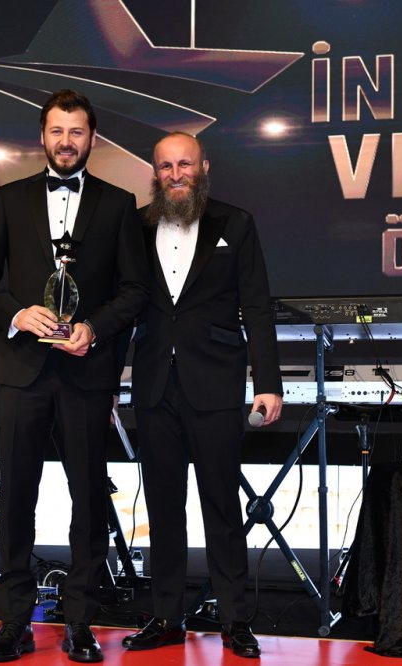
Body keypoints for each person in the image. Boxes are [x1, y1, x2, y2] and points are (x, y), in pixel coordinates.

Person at [0, 89, 148, 663]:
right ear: (42, 136)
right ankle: (14, 623)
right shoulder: (9, 197)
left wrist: (94, 327)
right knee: (16, 498)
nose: (66, 142)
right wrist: (17, 314)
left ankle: (81, 623)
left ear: (92, 138)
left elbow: (135, 290)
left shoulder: (119, 204)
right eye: (57, 131)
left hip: (86, 372)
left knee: (88, 500)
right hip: (23, 370)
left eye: (76, 132)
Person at [121, 132, 283, 658]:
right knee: (163, 507)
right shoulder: (134, 227)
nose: (175, 174)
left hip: (215, 382)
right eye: (166, 166)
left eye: (184, 164)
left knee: (221, 505)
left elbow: (257, 305)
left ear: (204, 167)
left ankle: (235, 620)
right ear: (155, 172)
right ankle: (166, 617)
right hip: (153, 385)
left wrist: (268, 383)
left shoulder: (235, 223)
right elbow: (121, 304)